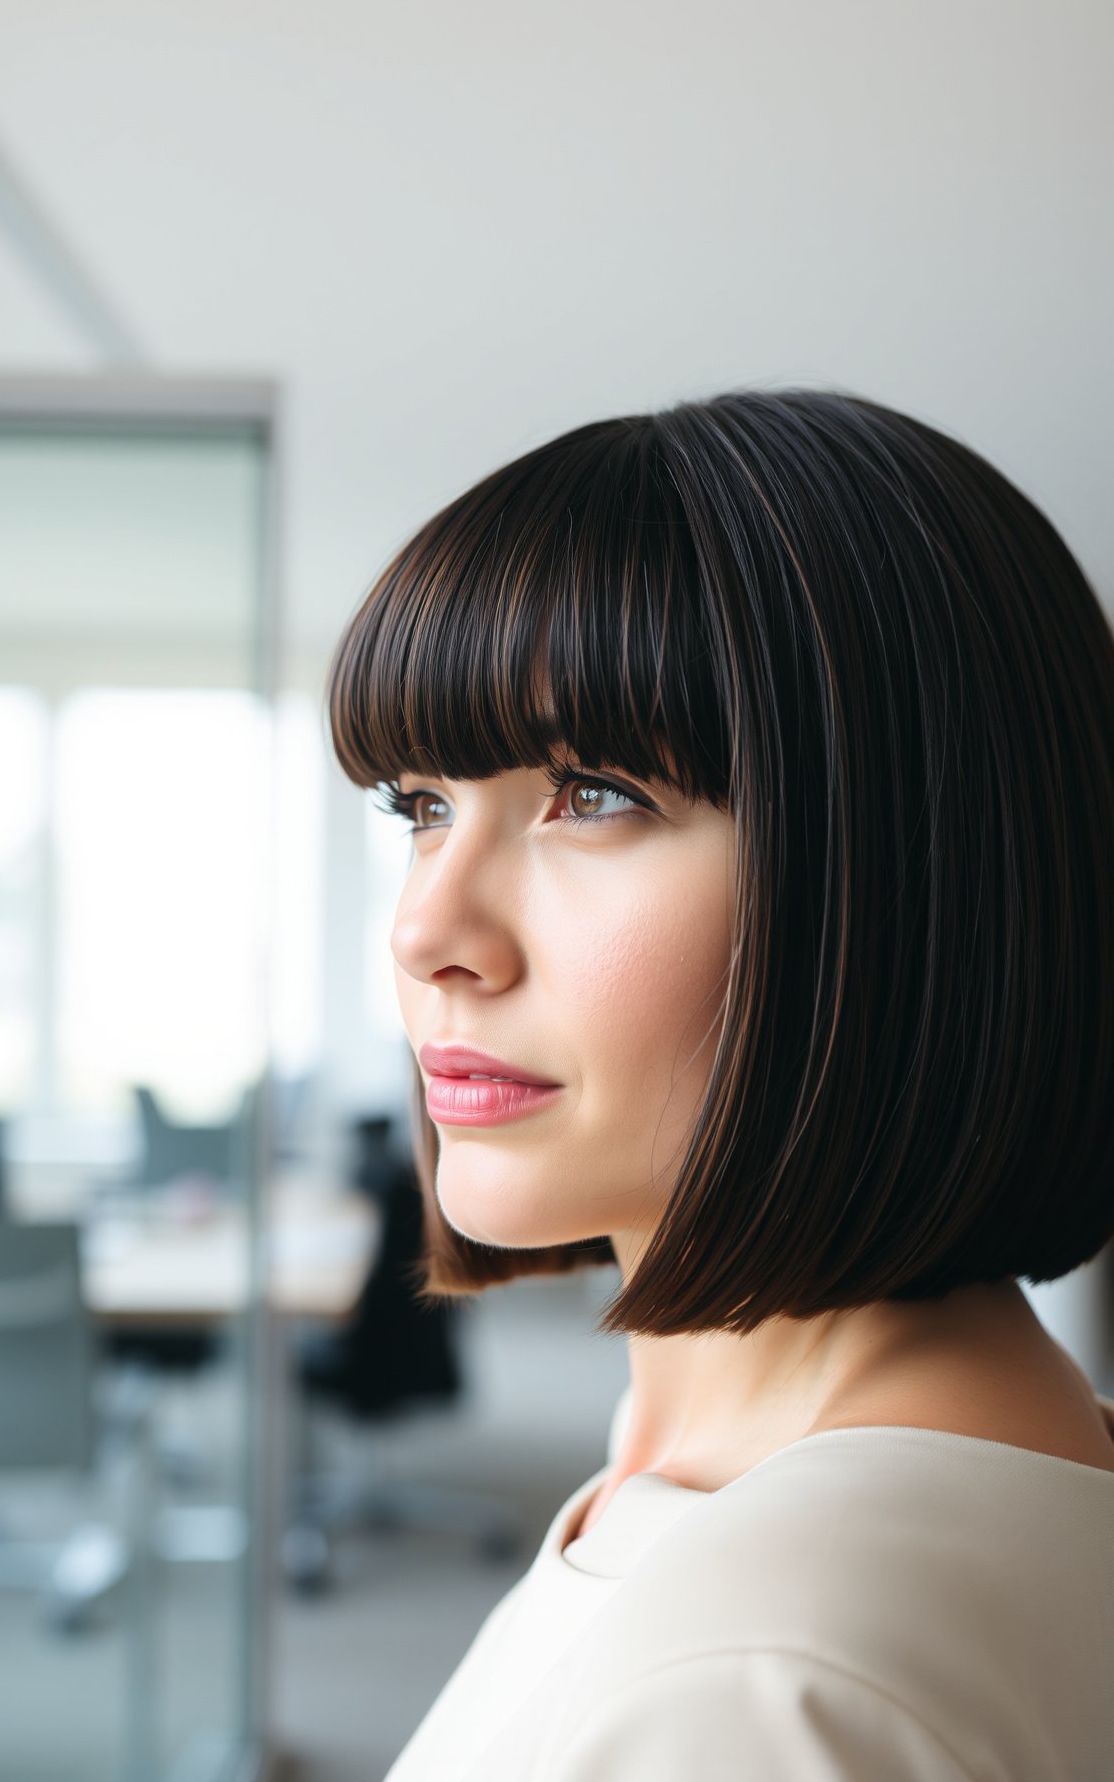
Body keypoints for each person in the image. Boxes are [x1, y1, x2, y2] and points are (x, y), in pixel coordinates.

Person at [326, 387, 1114, 1779]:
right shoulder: (789, 1480)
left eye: (592, 792)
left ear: (903, 882)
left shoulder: (769, 1672)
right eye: (422, 806)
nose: (426, 934)